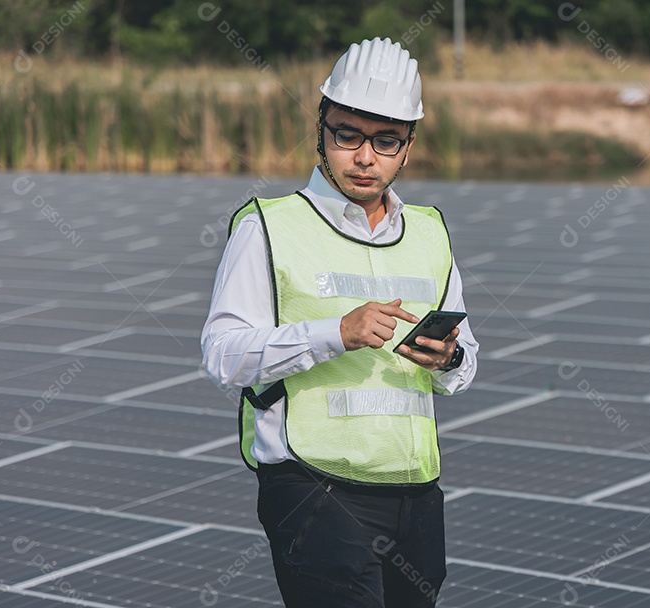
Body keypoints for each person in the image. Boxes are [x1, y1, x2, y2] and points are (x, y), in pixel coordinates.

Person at [201, 37, 477, 607]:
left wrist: (447, 358)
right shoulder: (268, 226)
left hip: (415, 493)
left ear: (409, 145)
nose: (365, 157)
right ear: (320, 129)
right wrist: (335, 334)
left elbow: (464, 364)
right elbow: (223, 355)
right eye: (348, 135)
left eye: (386, 140)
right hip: (311, 489)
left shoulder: (430, 233)